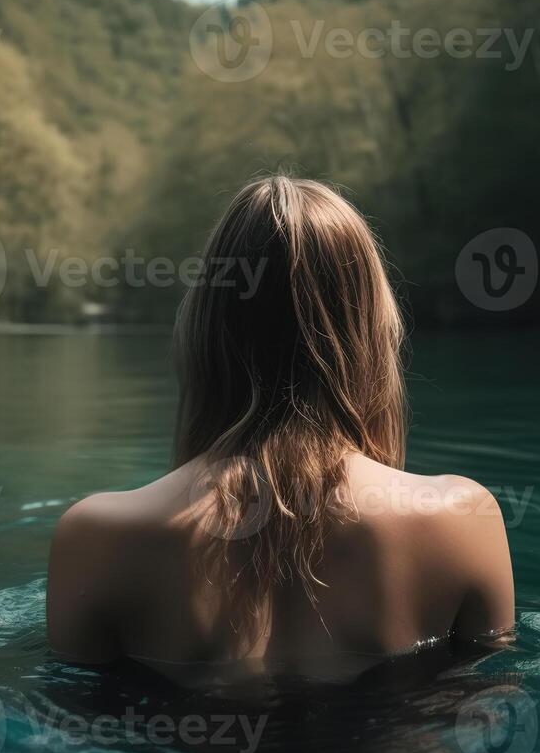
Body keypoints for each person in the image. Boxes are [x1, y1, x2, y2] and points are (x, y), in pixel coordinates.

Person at [46, 176, 514, 685]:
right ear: (373, 334)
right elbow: (485, 730)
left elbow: (78, 728)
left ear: (207, 333)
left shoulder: (97, 538)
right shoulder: (462, 518)